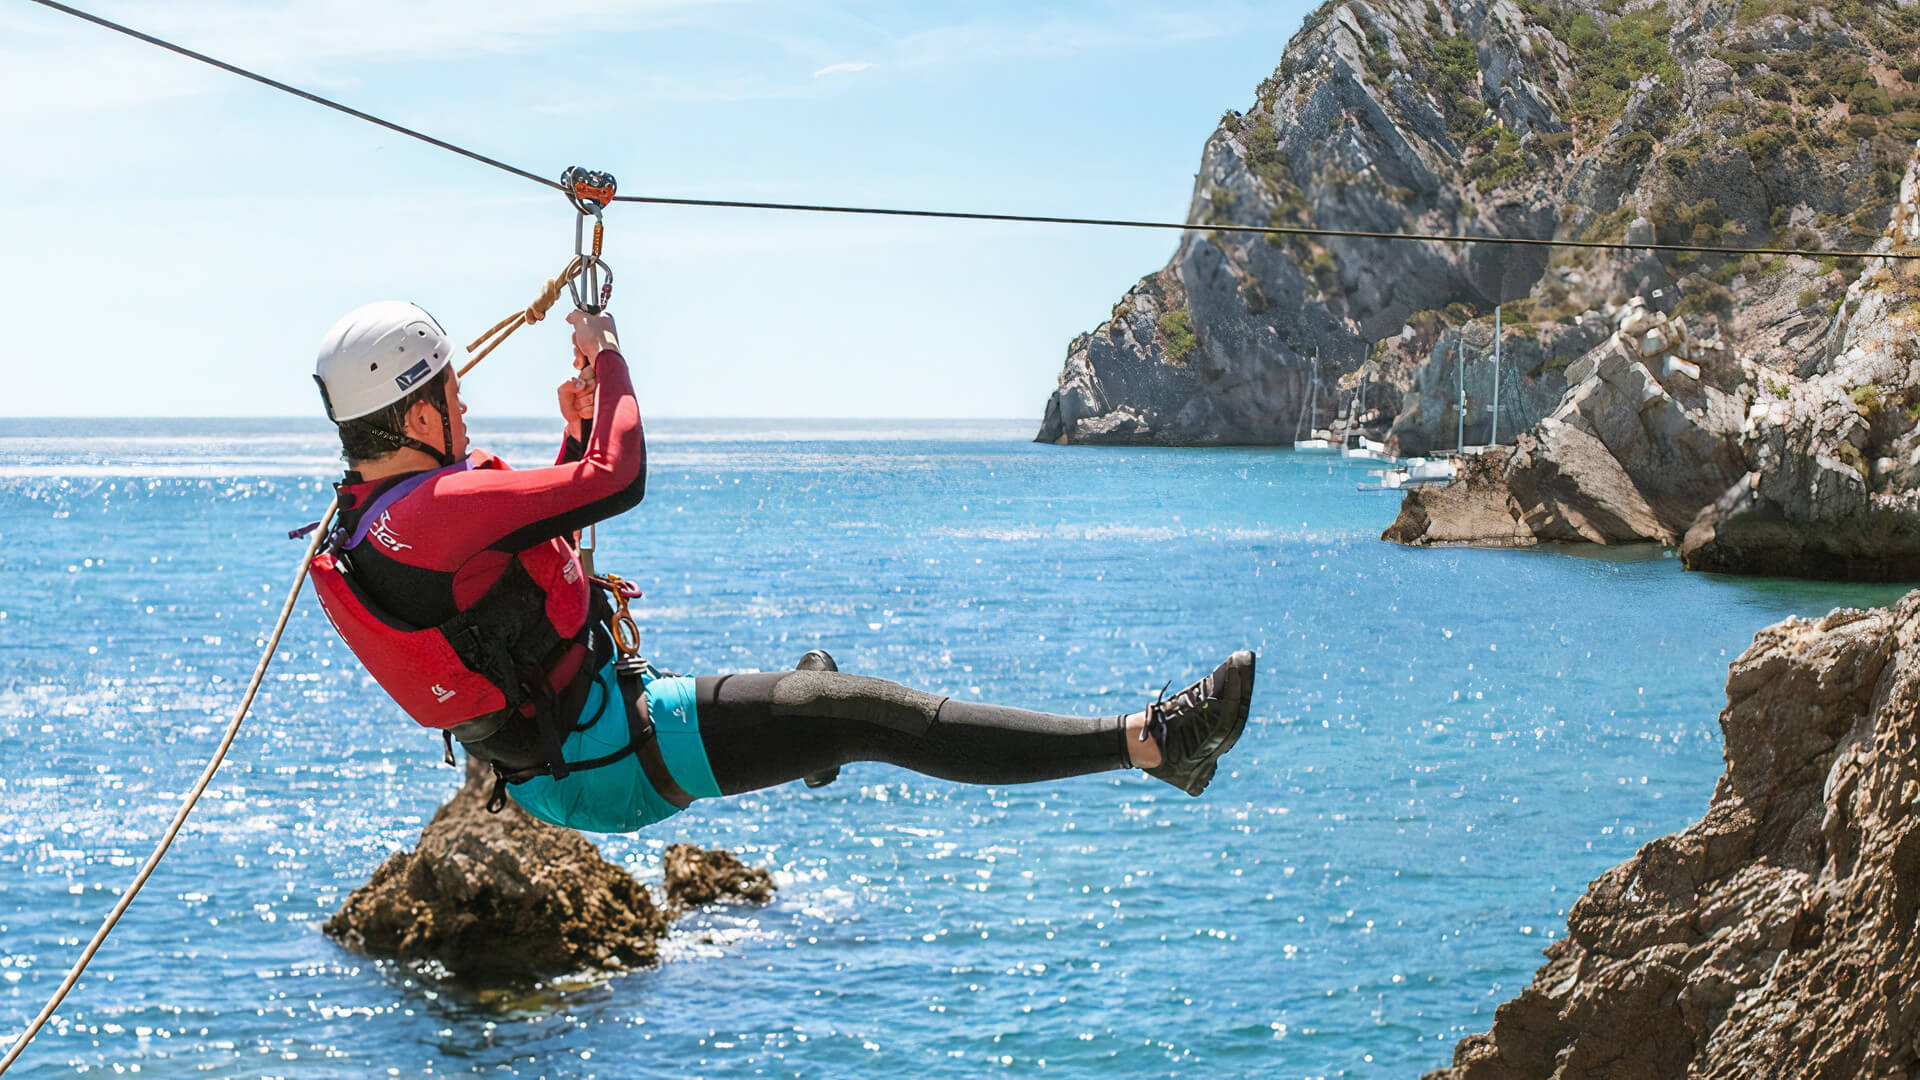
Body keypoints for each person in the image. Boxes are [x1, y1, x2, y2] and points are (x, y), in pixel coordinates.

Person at [306, 300, 1257, 834]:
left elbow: (500, 571)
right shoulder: (430, 511)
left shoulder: (371, 518)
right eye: (454, 395)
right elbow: (613, 479)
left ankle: (806, 727)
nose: (465, 409)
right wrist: (613, 361)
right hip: (612, 755)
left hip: (568, 755)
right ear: (417, 413)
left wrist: (576, 422)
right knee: (867, 714)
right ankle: (1153, 744)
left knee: (810, 706)